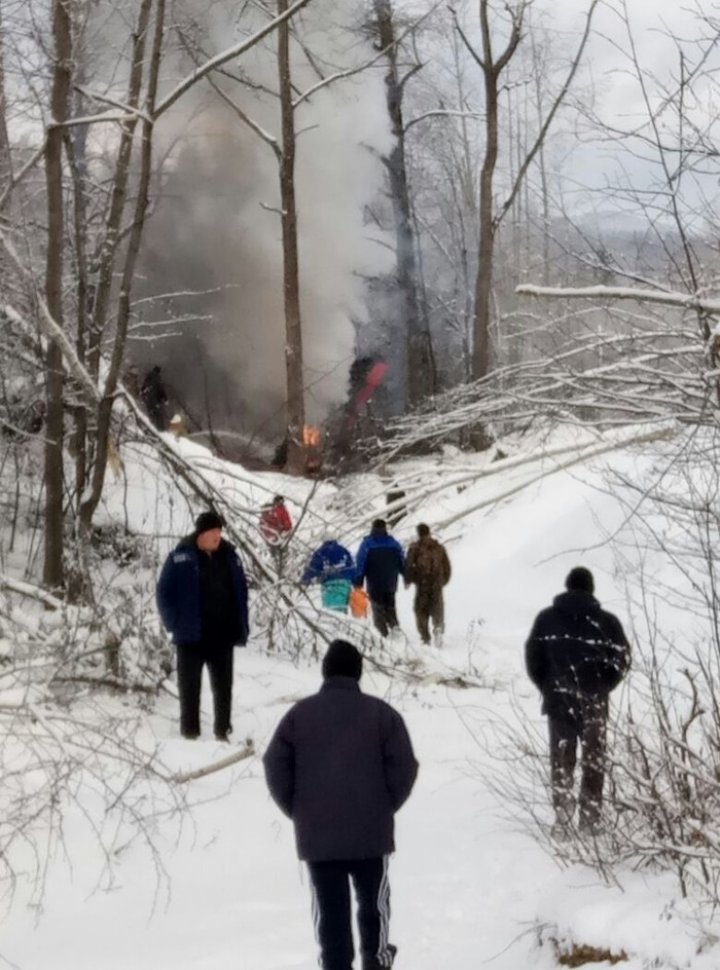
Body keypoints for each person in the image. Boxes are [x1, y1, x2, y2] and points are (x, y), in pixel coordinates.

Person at [263, 639, 418, 970]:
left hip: (318, 834)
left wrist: (298, 809)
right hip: (370, 832)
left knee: (329, 910)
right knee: (374, 905)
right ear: (358, 673)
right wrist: (385, 805)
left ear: (325, 672)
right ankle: (376, 960)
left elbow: (274, 764)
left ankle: (335, 965)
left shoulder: (298, 716)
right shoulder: (382, 714)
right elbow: (405, 766)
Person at [525, 566, 631, 833]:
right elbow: (622, 659)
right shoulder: (607, 622)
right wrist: (604, 685)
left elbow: (533, 657)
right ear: (591, 589)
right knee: (594, 758)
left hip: (558, 698)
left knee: (562, 755)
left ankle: (562, 816)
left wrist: (547, 685)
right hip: (594, 699)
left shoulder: (545, 619)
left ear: (567, 586)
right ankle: (590, 819)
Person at [156, 511, 249, 741]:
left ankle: (222, 731)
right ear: (201, 533)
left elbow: (241, 591)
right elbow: (163, 592)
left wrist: (240, 623)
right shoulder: (181, 556)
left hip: (222, 635)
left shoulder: (230, 556)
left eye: (220, 531)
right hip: (190, 637)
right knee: (189, 690)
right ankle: (190, 733)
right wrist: (173, 622)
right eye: (213, 532)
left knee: (223, 689)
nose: (218, 536)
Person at [354, 520, 405, 638]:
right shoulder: (393, 543)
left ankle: (382, 633)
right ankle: (394, 625)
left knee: (377, 607)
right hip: (391, 581)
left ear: (372, 528)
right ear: (385, 528)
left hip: (374, 581)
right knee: (390, 604)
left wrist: (358, 580)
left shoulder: (367, 544)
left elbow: (360, 562)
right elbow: (401, 560)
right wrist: (405, 574)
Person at [405, 524, 451, 646]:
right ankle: (438, 628)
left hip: (422, 584)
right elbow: (447, 567)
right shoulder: (439, 547)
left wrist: (409, 580)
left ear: (419, 533)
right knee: (437, 608)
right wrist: (443, 581)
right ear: (429, 532)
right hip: (436, 584)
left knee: (420, 610)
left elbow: (409, 566)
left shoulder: (414, 548)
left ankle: (425, 637)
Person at [301, 536, 355, 612]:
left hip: (330, 585)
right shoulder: (344, 550)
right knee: (342, 610)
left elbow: (313, 568)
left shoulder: (321, 551)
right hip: (345, 584)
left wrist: (305, 579)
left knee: (333, 612)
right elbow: (351, 567)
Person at [140, 364, 168, 430]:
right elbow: (161, 389)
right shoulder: (157, 378)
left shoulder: (148, 377)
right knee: (159, 416)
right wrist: (166, 398)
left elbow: (143, 388)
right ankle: (161, 431)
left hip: (148, 400)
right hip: (156, 401)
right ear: (158, 371)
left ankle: (151, 429)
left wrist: (143, 398)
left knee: (151, 415)